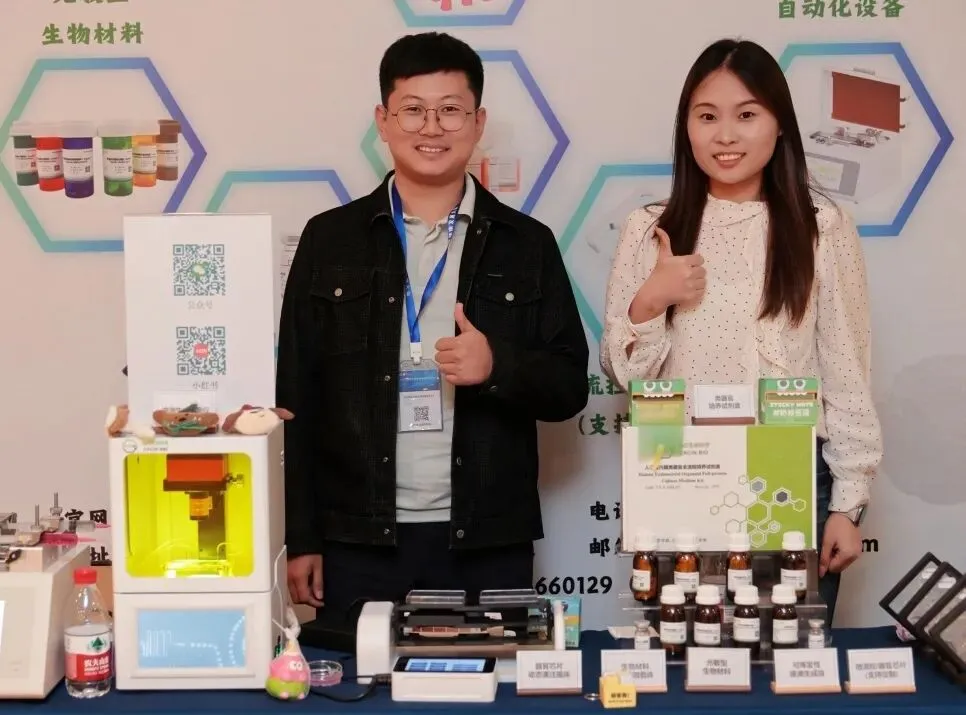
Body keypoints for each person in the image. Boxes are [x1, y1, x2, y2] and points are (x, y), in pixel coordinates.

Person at [277, 32, 589, 623]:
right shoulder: (329, 240)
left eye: (450, 110)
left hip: (486, 542)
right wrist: (302, 536)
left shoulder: (526, 244)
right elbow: (297, 396)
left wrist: (497, 366)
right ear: (383, 121)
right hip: (357, 539)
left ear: (478, 123)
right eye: (413, 110)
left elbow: (570, 386)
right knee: (359, 677)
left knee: (490, 675)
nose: (432, 127)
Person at [599, 38, 882, 625]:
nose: (725, 136)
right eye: (707, 117)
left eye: (746, 115)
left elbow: (847, 368)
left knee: (789, 663)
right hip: (682, 473)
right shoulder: (650, 229)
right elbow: (627, 375)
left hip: (791, 478)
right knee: (685, 659)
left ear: (779, 125)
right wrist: (652, 298)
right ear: (686, 128)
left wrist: (848, 504)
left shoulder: (821, 226)